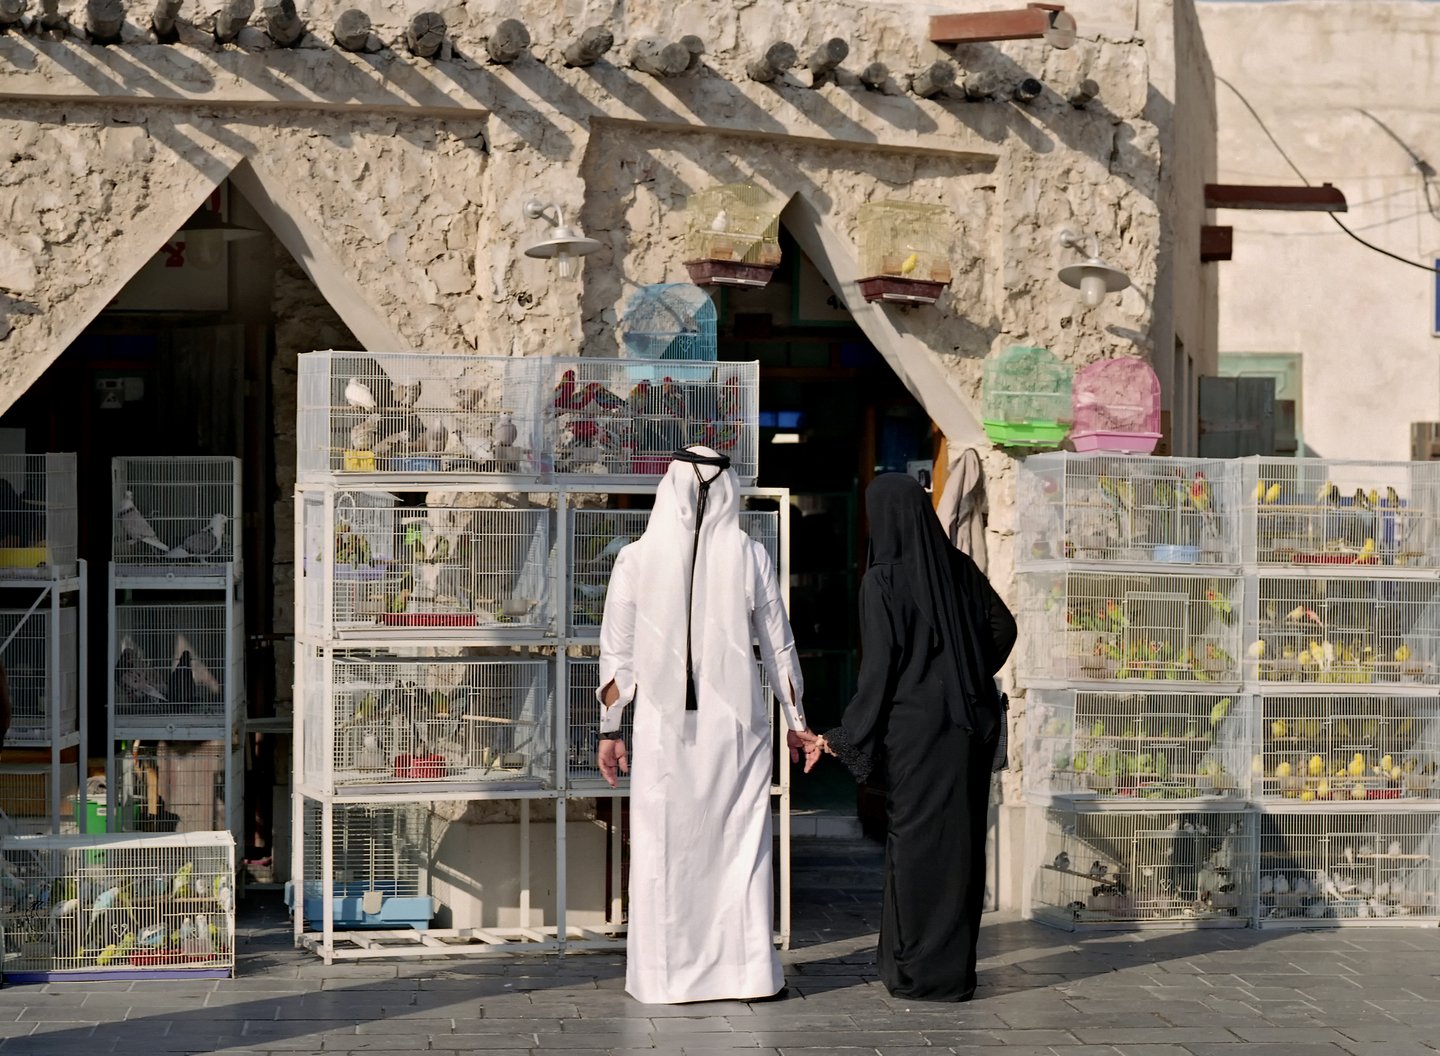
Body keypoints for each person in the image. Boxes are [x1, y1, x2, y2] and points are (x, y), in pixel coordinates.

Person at [594, 445, 820, 1004]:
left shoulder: (636, 559)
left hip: (664, 730)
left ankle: (664, 978)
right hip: (735, 728)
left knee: (663, 848)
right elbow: (779, 647)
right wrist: (798, 722)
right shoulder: (749, 556)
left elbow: (616, 656)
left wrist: (609, 727)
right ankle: (744, 975)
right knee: (738, 847)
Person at [818, 473, 1016, 1002]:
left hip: (914, 732)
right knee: (960, 847)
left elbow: (878, 671)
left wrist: (843, 735)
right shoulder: (958, 566)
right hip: (966, 728)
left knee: (914, 847)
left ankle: (913, 970)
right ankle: (952, 973)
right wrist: (966, 674)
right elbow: (1005, 627)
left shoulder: (882, 579)